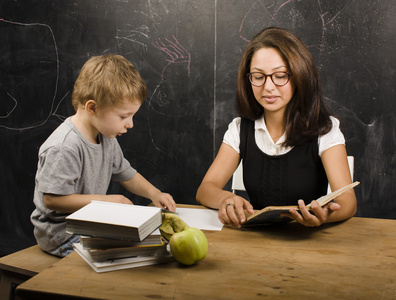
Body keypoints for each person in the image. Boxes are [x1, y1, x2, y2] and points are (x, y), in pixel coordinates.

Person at [196, 27, 357, 228]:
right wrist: (225, 199)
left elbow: (348, 201)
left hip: (307, 242)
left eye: (280, 75)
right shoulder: (240, 129)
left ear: (299, 75)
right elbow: (205, 189)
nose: (268, 87)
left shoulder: (325, 129)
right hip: (254, 240)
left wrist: (324, 215)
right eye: (258, 76)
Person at [31, 54, 176, 257]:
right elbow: (54, 200)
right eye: (124, 116)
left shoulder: (107, 137)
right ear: (92, 107)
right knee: (133, 253)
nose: (130, 124)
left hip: (89, 224)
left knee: (148, 242)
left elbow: (126, 174)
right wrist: (106, 201)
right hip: (62, 234)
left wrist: (155, 194)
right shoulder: (64, 147)